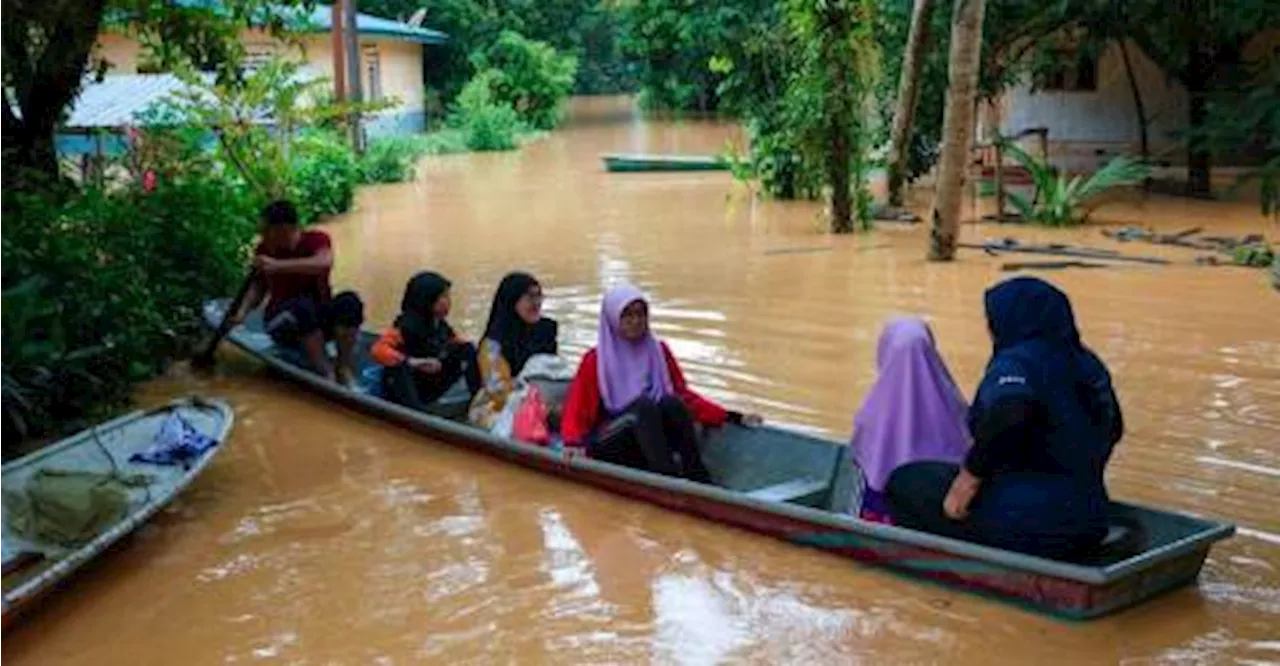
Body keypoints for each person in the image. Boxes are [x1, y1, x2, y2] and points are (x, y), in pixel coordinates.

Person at [886, 277, 1124, 560]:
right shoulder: (1089, 364)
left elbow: (1010, 413)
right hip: (1091, 517)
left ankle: (952, 565)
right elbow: (1115, 427)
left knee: (905, 481)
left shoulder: (1018, 362)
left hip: (1028, 520)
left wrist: (969, 478)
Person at [560, 283, 763, 482]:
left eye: (641, 314)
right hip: (612, 443)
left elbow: (684, 397)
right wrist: (572, 442)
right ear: (613, 319)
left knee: (670, 402)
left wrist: (731, 416)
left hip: (649, 440)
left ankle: (697, 474)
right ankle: (666, 478)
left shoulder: (658, 351)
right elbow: (577, 408)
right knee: (644, 405)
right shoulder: (596, 360)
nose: (636, 321)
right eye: (628, 315)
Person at [849, 317, 971, 523]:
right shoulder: (955, 404)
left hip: (884, 512)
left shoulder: (870, 416)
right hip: (942, 510)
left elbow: (858, 467)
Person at [230, 200, 364, 385]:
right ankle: (325, 372)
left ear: (284, 229)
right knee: (302, 307)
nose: (263, 236)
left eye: (267, 231)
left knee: (349, 301)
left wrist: (277, 266)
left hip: (315, 318)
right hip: (281, 322)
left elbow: (324, 262)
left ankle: (343, 367)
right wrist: (242, 312)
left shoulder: (317, 239)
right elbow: (258, 287)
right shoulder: (264, 249)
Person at [371, 271, 481, 410]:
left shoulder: (440, 325)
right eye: (444, 297)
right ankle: (415, 413)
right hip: (405, 387)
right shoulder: (406, 325)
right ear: (428, 299)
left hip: (428, 383)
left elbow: (459, 344)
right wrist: (413, 362)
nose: (449, 301)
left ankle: (479, 400)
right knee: (398, 368)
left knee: (467, 349)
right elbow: (377, 350)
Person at [468, 272, 560, 430]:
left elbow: (552, 370)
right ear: (512, 301)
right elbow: (497, 391)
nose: (537, 303)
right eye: (530, 297)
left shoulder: (545, 330)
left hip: (539, 400)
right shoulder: (493, 344)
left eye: (539, 296)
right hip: (496, 407)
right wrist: (537, 403)